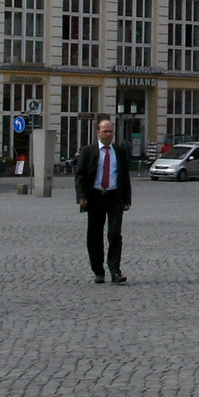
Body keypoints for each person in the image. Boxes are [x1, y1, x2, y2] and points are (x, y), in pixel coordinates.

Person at [75, 117, 132, 284]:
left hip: (114, 197)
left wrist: (127, 199)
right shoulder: (88, 151)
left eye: (111, 131)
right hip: (95, 196)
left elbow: (124, 177)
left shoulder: (119, 151)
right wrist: (81, 196)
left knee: (114, 234)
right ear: (98, 133)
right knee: (94, 235)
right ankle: (98, 271)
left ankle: (115, 271)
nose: (108, 134)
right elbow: (80, 175)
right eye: (105, 131)